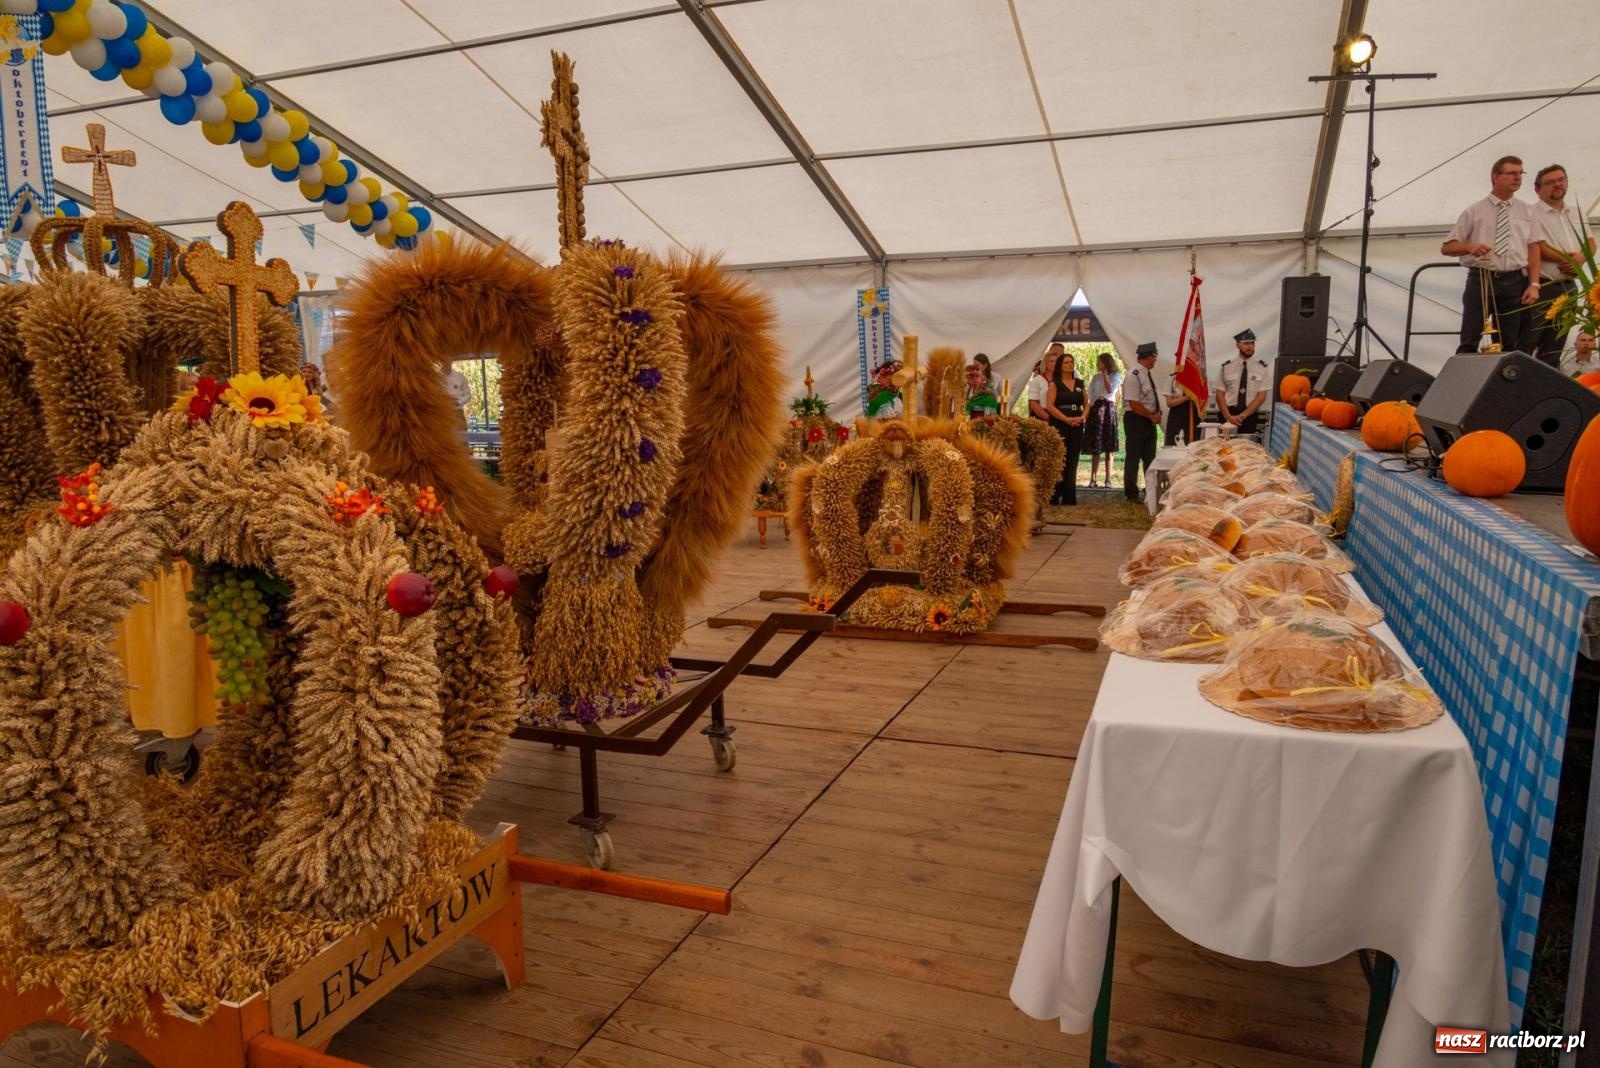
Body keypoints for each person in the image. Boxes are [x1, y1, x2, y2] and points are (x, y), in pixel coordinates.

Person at [1441, 156, 1540, 354]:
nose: (1517, 178)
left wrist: (1534, 284)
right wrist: (1470, 247)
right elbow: (1447, 247)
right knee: (1470, 337)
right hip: (1481, 279)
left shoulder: (1528, 210)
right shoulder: (1474, 211)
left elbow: (1534, 247)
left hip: (1514, 280)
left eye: (1520, 174)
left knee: (1509, 343)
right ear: (1495, 176)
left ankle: (1502, 383)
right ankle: (1466, 378)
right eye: (1512, 173)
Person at [1527, 164, 1595, 368]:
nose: (1557, 184)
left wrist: (1581, 259)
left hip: (1568, 285)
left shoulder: (1576, 211)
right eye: (1550, 182)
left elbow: (1590, 243)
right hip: (1544, 285)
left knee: (1555, 345)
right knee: (1529, 341)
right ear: (1537, 189)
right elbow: (1535, 245)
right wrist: (1567, 260)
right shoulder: (1531, 212)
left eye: (1561, 179)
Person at [1046, 350, 1087, 505]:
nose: (1070, 365)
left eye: (1071, 362)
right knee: (1060, 459)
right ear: (1060, 366)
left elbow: (1086, 404)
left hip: (1077, 422)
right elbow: (1050, 406)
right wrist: (1066, 419)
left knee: (1073, 460)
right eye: (1066, 362)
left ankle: (1070, 496)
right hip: (1060, 423)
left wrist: (1082, 417)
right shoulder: (1054, 383)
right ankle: (1055, 495)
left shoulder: (1079, 383)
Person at [1122, 343, 1162, 502]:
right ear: (1148, 357)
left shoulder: (1146, 374)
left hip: (1147, 419)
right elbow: (1134, 403)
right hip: (1136, 419)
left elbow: (1150, 399)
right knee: (1134, 456)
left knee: (1149, 456)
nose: (1155, 360)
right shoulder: (1134, 374)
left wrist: (1157, 413)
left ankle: (1150, 489)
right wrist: (1151, 415)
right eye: (1154, 357)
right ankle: (1131, 492)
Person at [1214, 329, 1270, 436]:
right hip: (1227, 413)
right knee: (1224, 447)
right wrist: (1228, 417)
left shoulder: (1262, 368)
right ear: (1237, 345)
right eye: (1246, 343)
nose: (1250, 346)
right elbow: (1219, 394)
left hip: (1249, 415)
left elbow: (1261, 396)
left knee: (1245, 449)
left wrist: (1243, 415)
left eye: (1252, 343)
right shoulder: (1227, 367)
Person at [1084, 351, 1121, 487]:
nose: (1097, 364)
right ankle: (1093, 479)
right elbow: (1091, 394)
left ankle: (1108, 479)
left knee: (1109, 446)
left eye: (1099, 361)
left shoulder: (1116, 376)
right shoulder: (1095, 377)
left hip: (1108, 409)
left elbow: (1110, 391)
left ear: (1105, 363)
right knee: (1096, 445)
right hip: (1096, 409)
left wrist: (1105, 376)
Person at [1029, 344, 1063, 422]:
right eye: (1051, 361)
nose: (1055, 363)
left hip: (1060, 417)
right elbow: (1033, 403)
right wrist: (1048, 418)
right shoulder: (1037, 380)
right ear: (1045, 363)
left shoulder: (1062, 380)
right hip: (1042, 417)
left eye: (1056, 361)